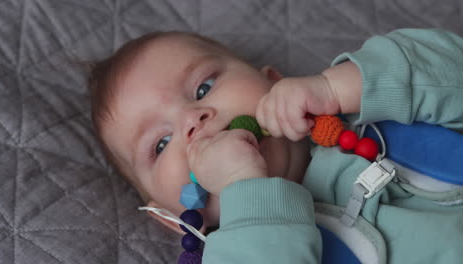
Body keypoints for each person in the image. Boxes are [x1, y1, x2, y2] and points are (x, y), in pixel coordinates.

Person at [88, 29, 463, 263]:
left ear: (274, 82)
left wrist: (339, 87)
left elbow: (449, 69)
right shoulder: (234, 253)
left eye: (203, 88)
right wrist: (243, 187)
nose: (193, 120)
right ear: (167, 217)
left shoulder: (375, 116)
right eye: (161, 143)